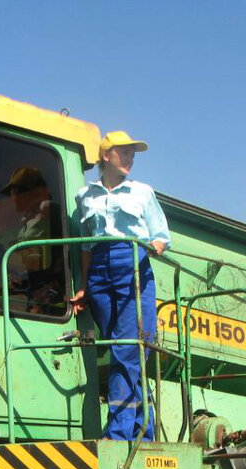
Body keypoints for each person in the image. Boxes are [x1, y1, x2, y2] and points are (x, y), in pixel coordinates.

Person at [70, 131, 170, 440]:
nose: (130, 158)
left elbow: (162, 234)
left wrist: (156, 245)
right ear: (105, 156)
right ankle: (145, 431)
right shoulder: (84, 195)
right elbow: (86, 244)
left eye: (132, 154)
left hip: (133, 265)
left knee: (126, 350)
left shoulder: (142, 192)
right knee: (124, 352)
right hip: (99, 270)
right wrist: (86, 285)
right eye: (123, 152)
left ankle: (118, 432)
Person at [0, 165, 65, 314]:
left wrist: (48, 297)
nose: (13, 197)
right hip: (33, 287)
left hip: (49, 291)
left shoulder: (49, 211)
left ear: (38, 191)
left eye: (17, 191)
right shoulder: (27, 221)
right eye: (11, 193)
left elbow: (60, 257)